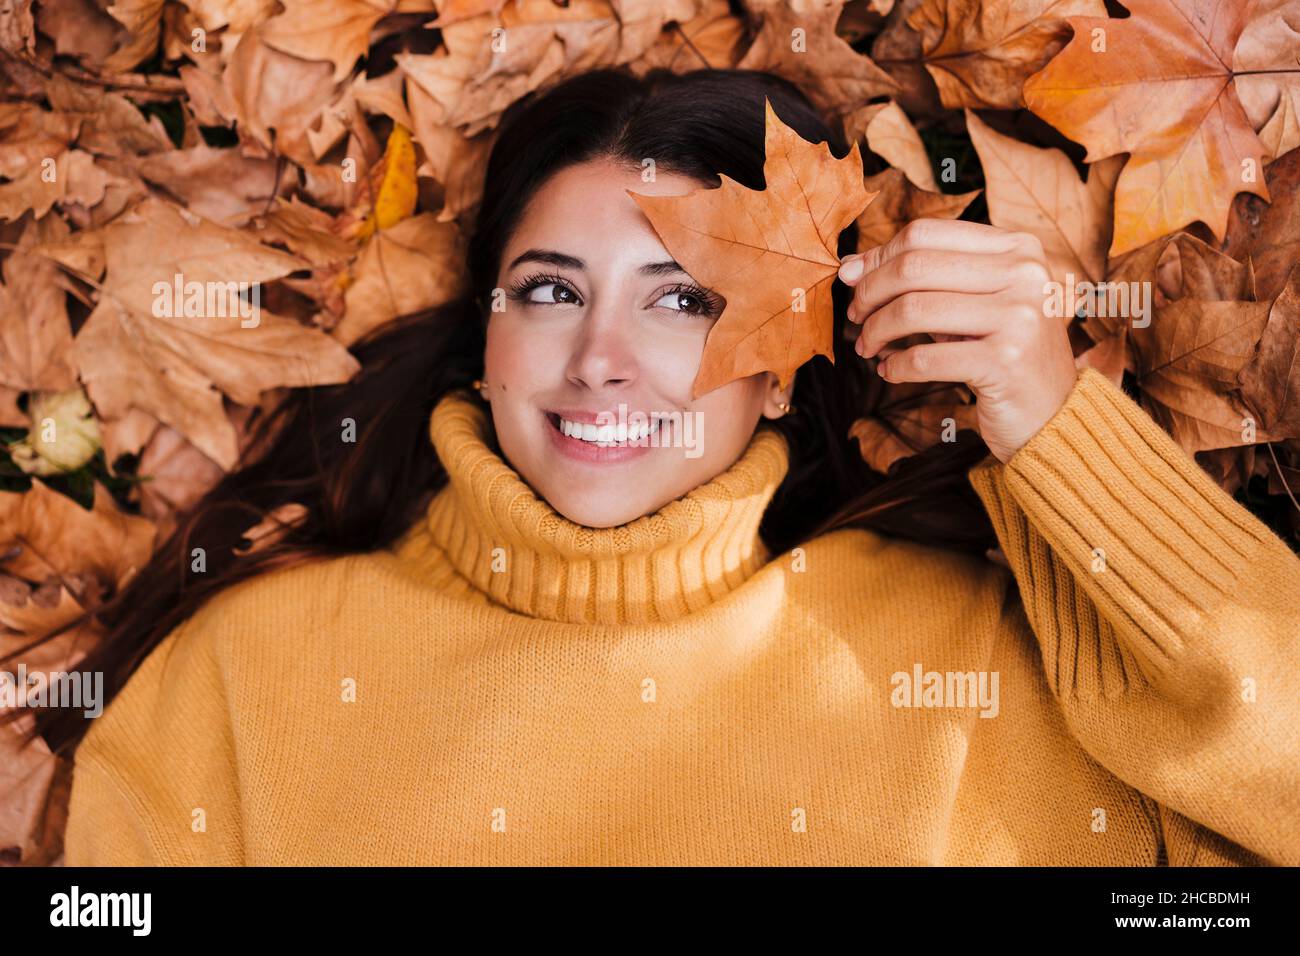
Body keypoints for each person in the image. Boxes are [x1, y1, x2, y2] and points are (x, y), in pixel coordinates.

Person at [53, 67, 1298, 865]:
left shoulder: (971, 664)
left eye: (683, 300)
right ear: (484, 334)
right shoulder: (246, 673)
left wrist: (1053, 423)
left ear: (782, 363)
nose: (601, 359)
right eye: (550, 291)